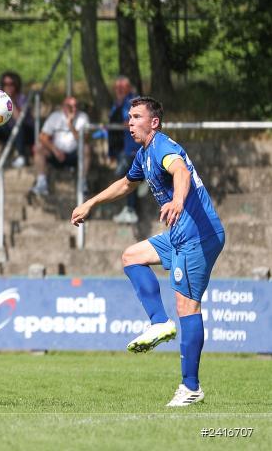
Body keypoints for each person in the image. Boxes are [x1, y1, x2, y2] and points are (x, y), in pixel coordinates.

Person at [71, 97, 225, 407]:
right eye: (128, 117)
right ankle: (159, 322)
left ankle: (190, 387)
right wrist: (91, 203)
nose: (130, 122)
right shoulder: (144, 155)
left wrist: (179, 200)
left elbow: (180, 170)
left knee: (187, 306)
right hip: (179, 234)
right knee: (131, 257)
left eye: (137, 116)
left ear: (153, 122)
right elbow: (127, 185)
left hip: (198, 235)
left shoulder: (162, 147)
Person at [30, 96, 90, 196]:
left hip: (75, 155)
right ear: (63, 107)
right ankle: (41, 183)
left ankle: (82, 183)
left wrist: (70, 125)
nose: (73, 109)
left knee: (86, 148)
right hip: (57, 154)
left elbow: (83, 141)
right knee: (38, 148)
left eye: (76, 106)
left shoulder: (82, 117)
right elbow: (42, 137)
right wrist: (54, 150)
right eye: (70, 106)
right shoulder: (55, 117)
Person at [0, 71, 33, 169]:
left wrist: (10, 100)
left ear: (16, 85)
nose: (8, 87)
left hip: (23, 132)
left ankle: (21, 156)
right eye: (5, 84)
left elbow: (19, 119)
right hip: (6, 132)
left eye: (11, 84)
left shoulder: (22, 99)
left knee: (18, 126)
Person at [108, 76, 139, 224]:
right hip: (121, 148)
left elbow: (135, 121)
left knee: (125, 175)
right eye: (117, 88)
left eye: (122, 88)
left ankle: (131, 209)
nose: (119, 90)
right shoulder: (116, 103)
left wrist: (125, 123)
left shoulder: (133, 101)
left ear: (128, 88)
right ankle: (130, 209)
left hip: (132, 147)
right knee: (124, 175)